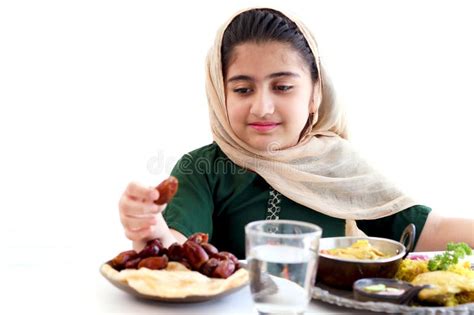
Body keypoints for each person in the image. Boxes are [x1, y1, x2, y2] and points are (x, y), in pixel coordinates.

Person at [118, 7, 473, 259]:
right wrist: (151, 228)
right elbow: (178, 248)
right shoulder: (203, 169)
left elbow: (428, 231)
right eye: (243, 90)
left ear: (315, 93)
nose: (262, 107)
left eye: (283, 87)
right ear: (219, 93)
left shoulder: (341, 168)